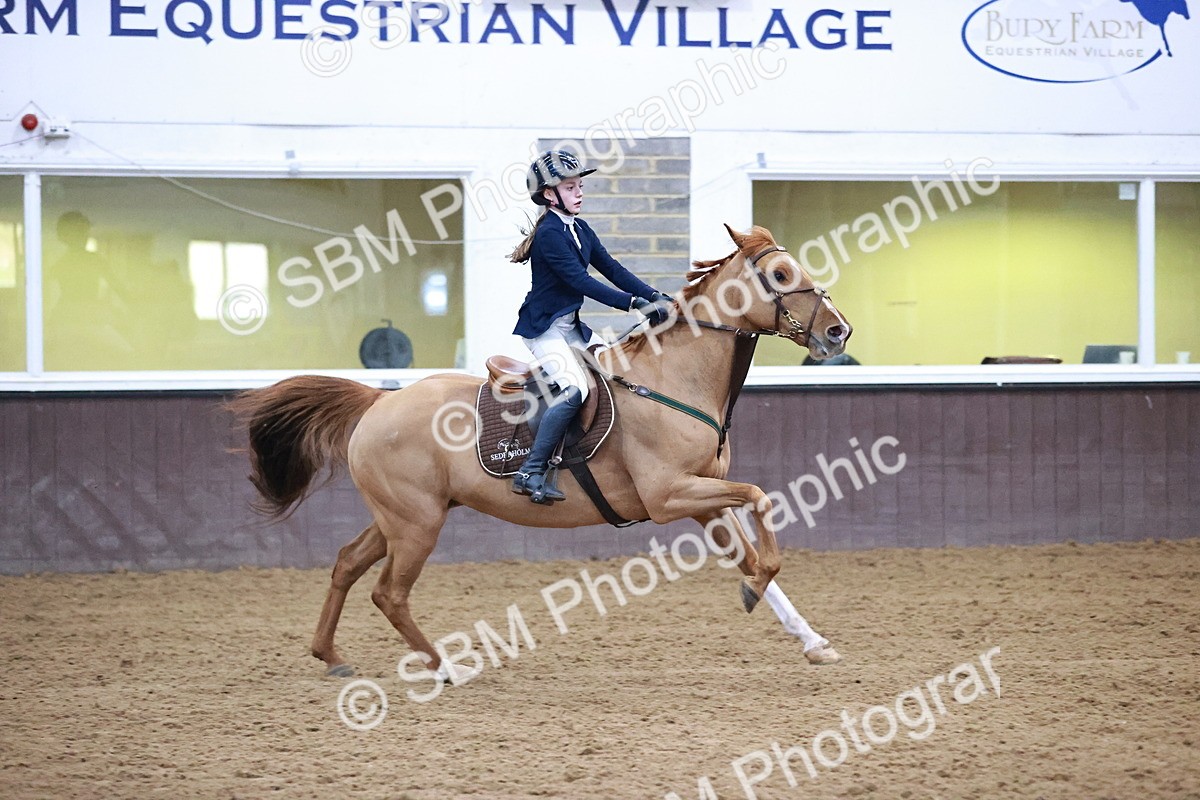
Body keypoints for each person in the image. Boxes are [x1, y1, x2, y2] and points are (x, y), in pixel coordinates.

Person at [508, 150, 673, 504]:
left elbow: (613, 269)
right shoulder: (550, 234)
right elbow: (582, 282)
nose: (579, 192)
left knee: (617, 371)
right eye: (571, 187)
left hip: (571, 329)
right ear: (550, 195)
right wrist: (632, 304)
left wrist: (654, 294)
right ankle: (530, 471)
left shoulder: (580, 228)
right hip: (544, 330)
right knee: (575, 389)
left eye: (580, 185)